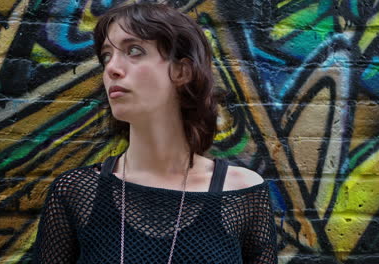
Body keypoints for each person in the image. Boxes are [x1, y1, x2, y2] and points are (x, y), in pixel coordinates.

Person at [32, 1, 278, 264]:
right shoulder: (78, 193)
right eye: (106, 56)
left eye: (134, 51)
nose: (111, 68)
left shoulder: (242, 194)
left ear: (181, 71)